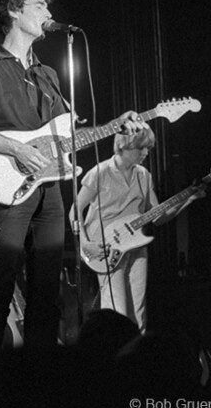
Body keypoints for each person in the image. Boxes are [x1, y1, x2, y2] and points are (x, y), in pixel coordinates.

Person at [0, 0, 144, 369]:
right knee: (0, 286)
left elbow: (66, 137)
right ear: (15, 12)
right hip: (10, 189)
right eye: (39, 5)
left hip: (50, 191)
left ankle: (38, 382)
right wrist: (16, 148)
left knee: (46, 291)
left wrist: (116, 124)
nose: (48, 13)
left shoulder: (49, 75)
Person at [72, 128, 203, 333]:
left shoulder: (143, 174)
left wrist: (188, 198)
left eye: (148, 148)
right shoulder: (100, 172)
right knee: (117, 311)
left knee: (138, 311)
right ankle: (111, 359)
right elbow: (75, 209)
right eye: (142, 147)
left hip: (136, 246)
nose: (146, 152)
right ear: (126, 145)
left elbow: (158, 217)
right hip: (105, 248)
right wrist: (85, 243)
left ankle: (135, 360)